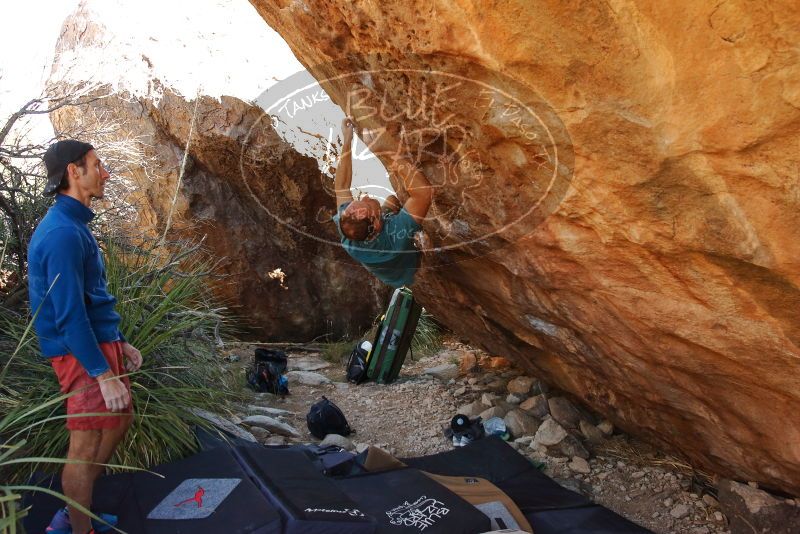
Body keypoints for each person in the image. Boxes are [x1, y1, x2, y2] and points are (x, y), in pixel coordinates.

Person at [28, 139, 143, 534]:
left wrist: (118, 340)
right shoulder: (61, 233)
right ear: (73, 172)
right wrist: (101, 372)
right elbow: (68, 314)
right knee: (86, 443)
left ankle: (75, 511)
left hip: (96, 341)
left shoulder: (75, 225)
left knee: (120, 417)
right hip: (77, 352)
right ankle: (78, 528)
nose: (105, 173)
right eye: (98, 165)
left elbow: (91, 297)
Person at [332, 118, 433, 287]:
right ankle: (422, 251)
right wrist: (385, 152)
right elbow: (423, 193)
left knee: (392, 200)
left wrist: (347, 140)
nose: (364, 197)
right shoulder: (395, 234)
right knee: (425, 245)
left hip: (383, 264)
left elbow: (341, 187)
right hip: (407, 270)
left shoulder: (349, 228)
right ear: (378, 224)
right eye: (366, 203)